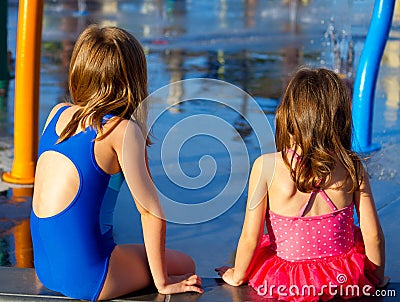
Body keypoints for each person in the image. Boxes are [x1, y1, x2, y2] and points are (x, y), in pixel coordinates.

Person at [30, 25, 203, 301]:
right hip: (89, 278)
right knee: (185, 264)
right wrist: (164, 283)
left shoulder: (57, 114)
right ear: (133, 79)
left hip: (45, 268)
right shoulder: (119, 131)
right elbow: (151, 213)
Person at [216, 67, 388, 301]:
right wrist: (374, 279)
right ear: (339, 118)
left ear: (288, 113)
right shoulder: (351, 166)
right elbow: (373, 236)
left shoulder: (267, 166)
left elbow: (251, 238)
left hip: (288, 279)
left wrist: (238, 275)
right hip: (343, 279)